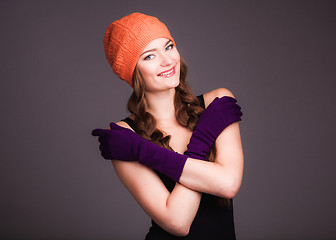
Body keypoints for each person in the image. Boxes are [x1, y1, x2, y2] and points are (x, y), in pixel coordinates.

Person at [92, 12, 244, 239]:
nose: (167, 60)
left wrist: (142, 151)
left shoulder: (216, 102)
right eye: (149, 57)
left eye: (169, 46)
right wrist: (203, 139)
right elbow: (178, 222)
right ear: (133, 73)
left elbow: (228, 184)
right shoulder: (125, 136)